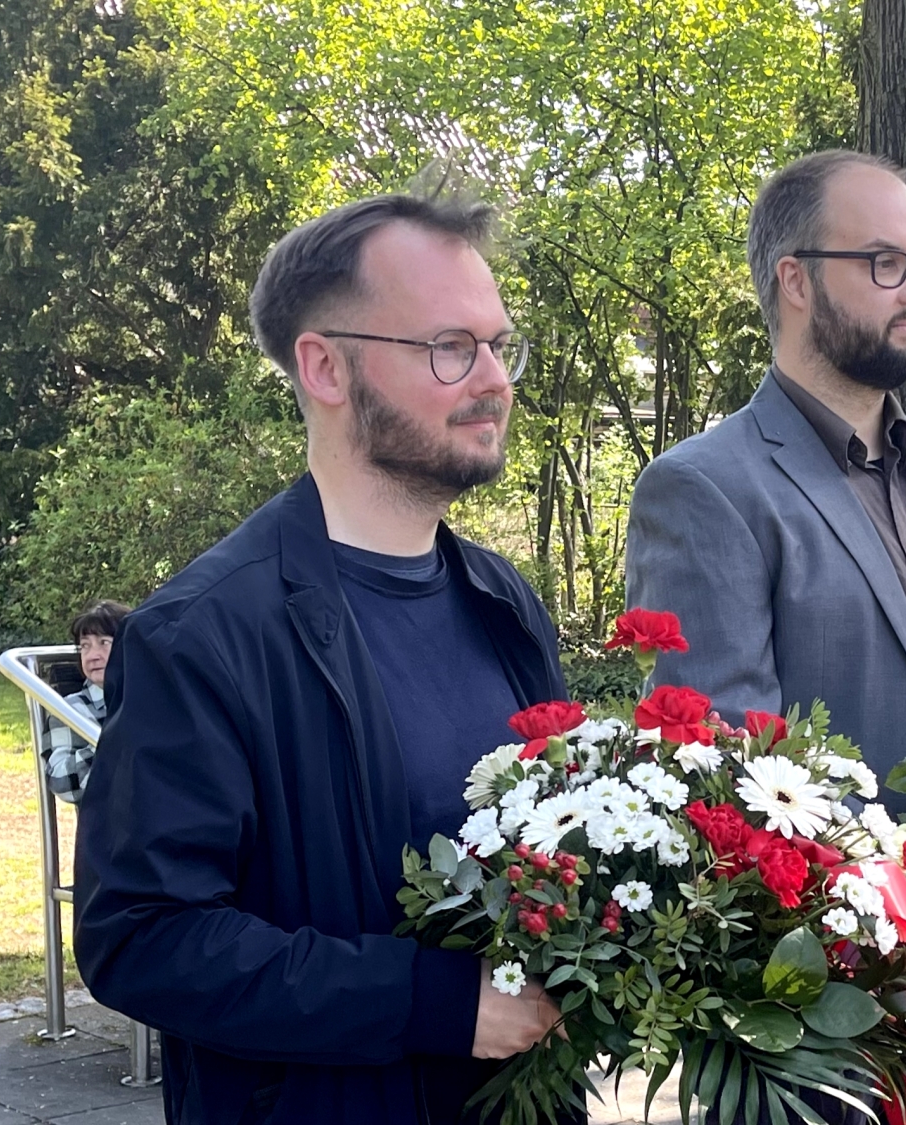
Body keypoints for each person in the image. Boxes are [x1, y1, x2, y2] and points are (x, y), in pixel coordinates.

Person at [73, 191, 568, 1125]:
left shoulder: (505, 603)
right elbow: (141, 937)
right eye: (449, 347)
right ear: (325, 366)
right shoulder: (203, 634)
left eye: (501, 344)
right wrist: (435, 1003)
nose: (495, 377)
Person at [625, 149, 906, 811]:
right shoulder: (704, 490)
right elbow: (728, 769)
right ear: (796, 280)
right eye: (884, 262)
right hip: (837, 905)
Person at [41, 599, 130, 803]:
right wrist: (114, 742)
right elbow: (60, 781)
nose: (92, 656)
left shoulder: (157, 697)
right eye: (85, 646)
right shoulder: (70, 710)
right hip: (111, 828)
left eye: (104, 643)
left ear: (129, 647)